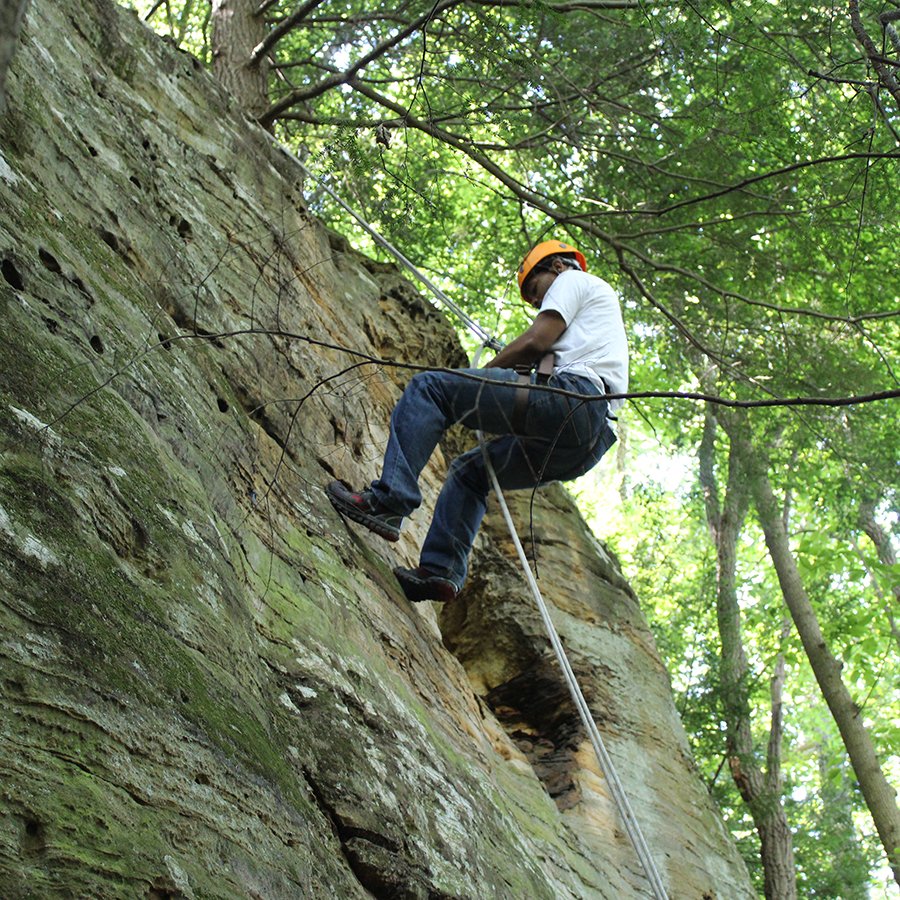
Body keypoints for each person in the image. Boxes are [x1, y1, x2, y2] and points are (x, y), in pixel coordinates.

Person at [326, 239, 628, 603]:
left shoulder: (574, 280)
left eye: (534, 290)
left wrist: (480, 377)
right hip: (587, 441)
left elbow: (536, 340)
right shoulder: (596, 320)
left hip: (571, 400)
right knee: (470, 472)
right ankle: (441, 570)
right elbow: (546, 357)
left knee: (430, 388)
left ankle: (389, 502)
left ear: (558, 267)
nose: (535, 302)